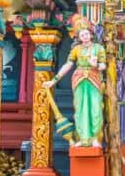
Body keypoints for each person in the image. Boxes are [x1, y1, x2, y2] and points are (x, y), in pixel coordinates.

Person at [43, 14, 106, 147]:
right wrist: (54, 80)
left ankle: (95, 138)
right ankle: (83, 139)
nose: (85, 36)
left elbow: (103, 65)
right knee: (80, 109)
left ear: (91, 34)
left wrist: (95, 65)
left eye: (86, 33)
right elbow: (68, 65)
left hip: (94, 79)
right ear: (79, 37)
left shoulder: (98, 48)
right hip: (79, 79)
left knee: (95, 108)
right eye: (82, 35)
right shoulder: (76, 49)